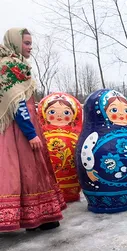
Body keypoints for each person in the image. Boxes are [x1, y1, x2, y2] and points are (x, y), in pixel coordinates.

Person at [0, 28, 66, 232]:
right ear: (14, 43)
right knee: (28, 170)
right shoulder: (11, 66)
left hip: (20, 125)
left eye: (30, 43)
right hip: (19, 129)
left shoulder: (13, 64)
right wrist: (30, 134)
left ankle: (35, 215)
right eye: (26, 43)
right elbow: (17, 102)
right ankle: (39, 217)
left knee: (20, 171)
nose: (30, 47)